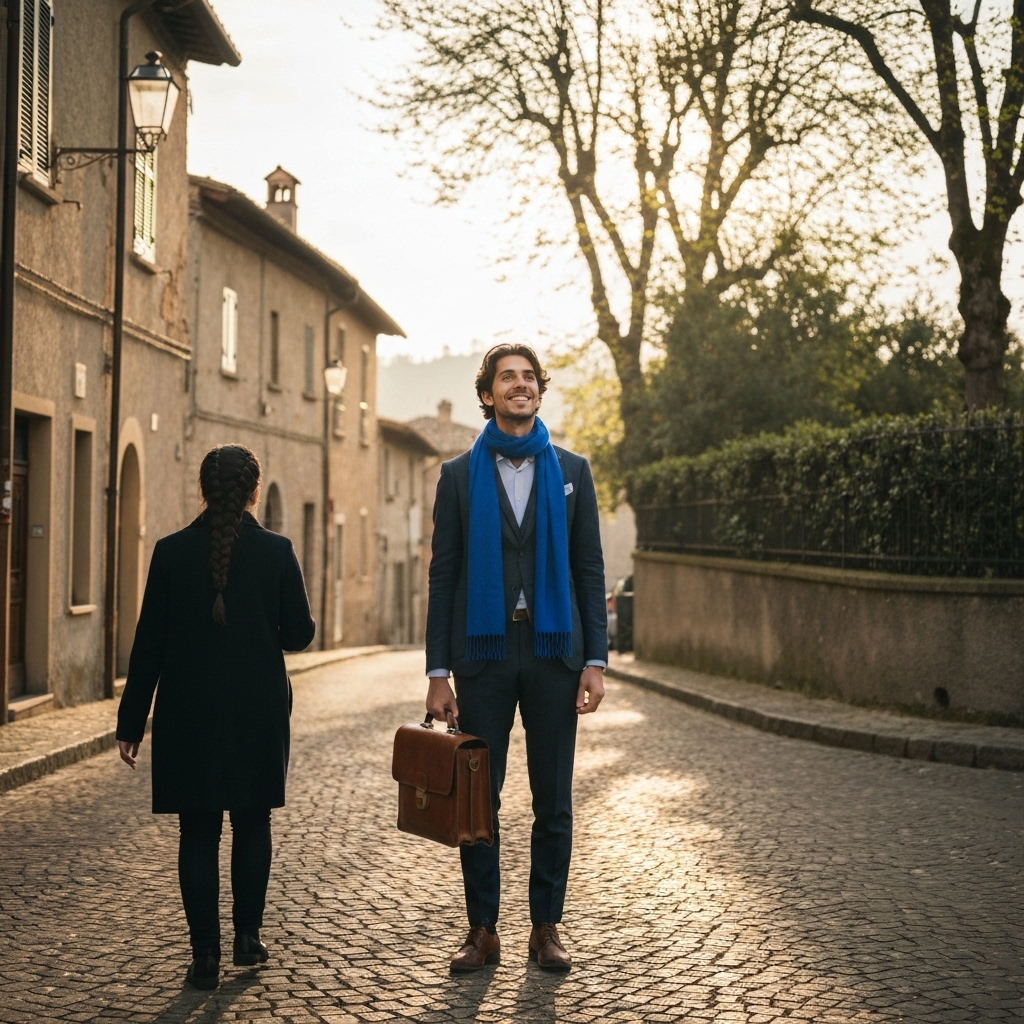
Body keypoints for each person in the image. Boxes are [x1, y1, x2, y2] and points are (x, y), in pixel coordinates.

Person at [425, 344, 608, 974]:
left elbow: (589, 568)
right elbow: (443, 574)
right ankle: (482, 930)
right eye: (508, 377)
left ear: (539, 390)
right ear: (488, 394)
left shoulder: (573, 470)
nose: (520, 385)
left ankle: (546, 927)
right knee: (480, 799)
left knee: (553, 800)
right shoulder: (457, 475)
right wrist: (438, 672)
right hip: (485, 655)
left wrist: (595, 660)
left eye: (529, 377)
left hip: (556, 653)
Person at [116, 444, 315, 990]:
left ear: (202, 491)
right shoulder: (277, 551)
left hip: (187, 709)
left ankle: (204, 955)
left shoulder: (170, 552)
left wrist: (131, 724)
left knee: (198, 829)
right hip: (258, 708)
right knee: (253, 820)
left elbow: (148, 645)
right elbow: (300, 634)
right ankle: (248, 938)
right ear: (254, 492)